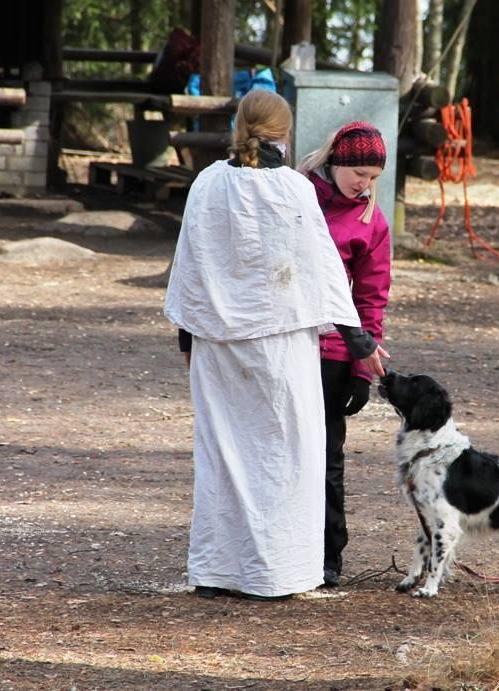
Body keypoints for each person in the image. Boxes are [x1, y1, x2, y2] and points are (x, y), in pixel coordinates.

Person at [164, 91, 389, 601]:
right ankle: (274, 571)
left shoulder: (207, 183)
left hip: (217, 344)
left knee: (223, 453)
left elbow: (189, 265)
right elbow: (324, 272)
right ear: (285, 134)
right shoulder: (293, 189)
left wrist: (187, 335)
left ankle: (219, 570)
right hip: (280, 345)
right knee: (282, 454)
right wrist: (359, 343)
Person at [297, 122, 391, 588]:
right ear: (335, 161)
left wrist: (361, 370)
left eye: (373, 177)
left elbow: (370, 298)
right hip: (286, 344)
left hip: (336, 352)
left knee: (328, 457)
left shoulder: (371, 221)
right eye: (358, 173)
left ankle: (328, 554)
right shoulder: (296, 196)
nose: (364, 184)